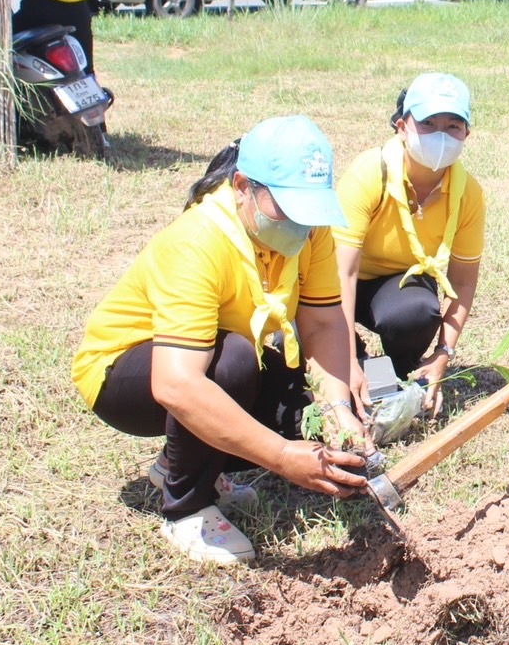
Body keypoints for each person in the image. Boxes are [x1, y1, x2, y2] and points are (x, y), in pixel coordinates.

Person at [71, 115, 369, 565]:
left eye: (309, 211)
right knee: (233, 361)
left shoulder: (312, 230)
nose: (300, 225)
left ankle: (183, 460)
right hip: (123, 374)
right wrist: (285, 457)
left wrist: (337, 412)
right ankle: (187, 507)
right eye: (286, 209)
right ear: (243, 186)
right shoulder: (198, 241)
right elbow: (177, 385)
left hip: (211, 354)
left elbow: (323, 325)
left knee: (296, 402)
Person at [334, 73, 486, 418]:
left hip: (394, 284)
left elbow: (463, 282)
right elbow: (341, 272)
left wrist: (442, 354)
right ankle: (354, 358)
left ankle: (400, 373)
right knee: (316, 353)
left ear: (467, 134)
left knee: (417, 311)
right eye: (428, 123)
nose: (441, 135)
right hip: (335, 283)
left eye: (453, 126)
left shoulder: (468, 194)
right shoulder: (370, 173)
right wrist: (345, 359)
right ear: (402, 126)